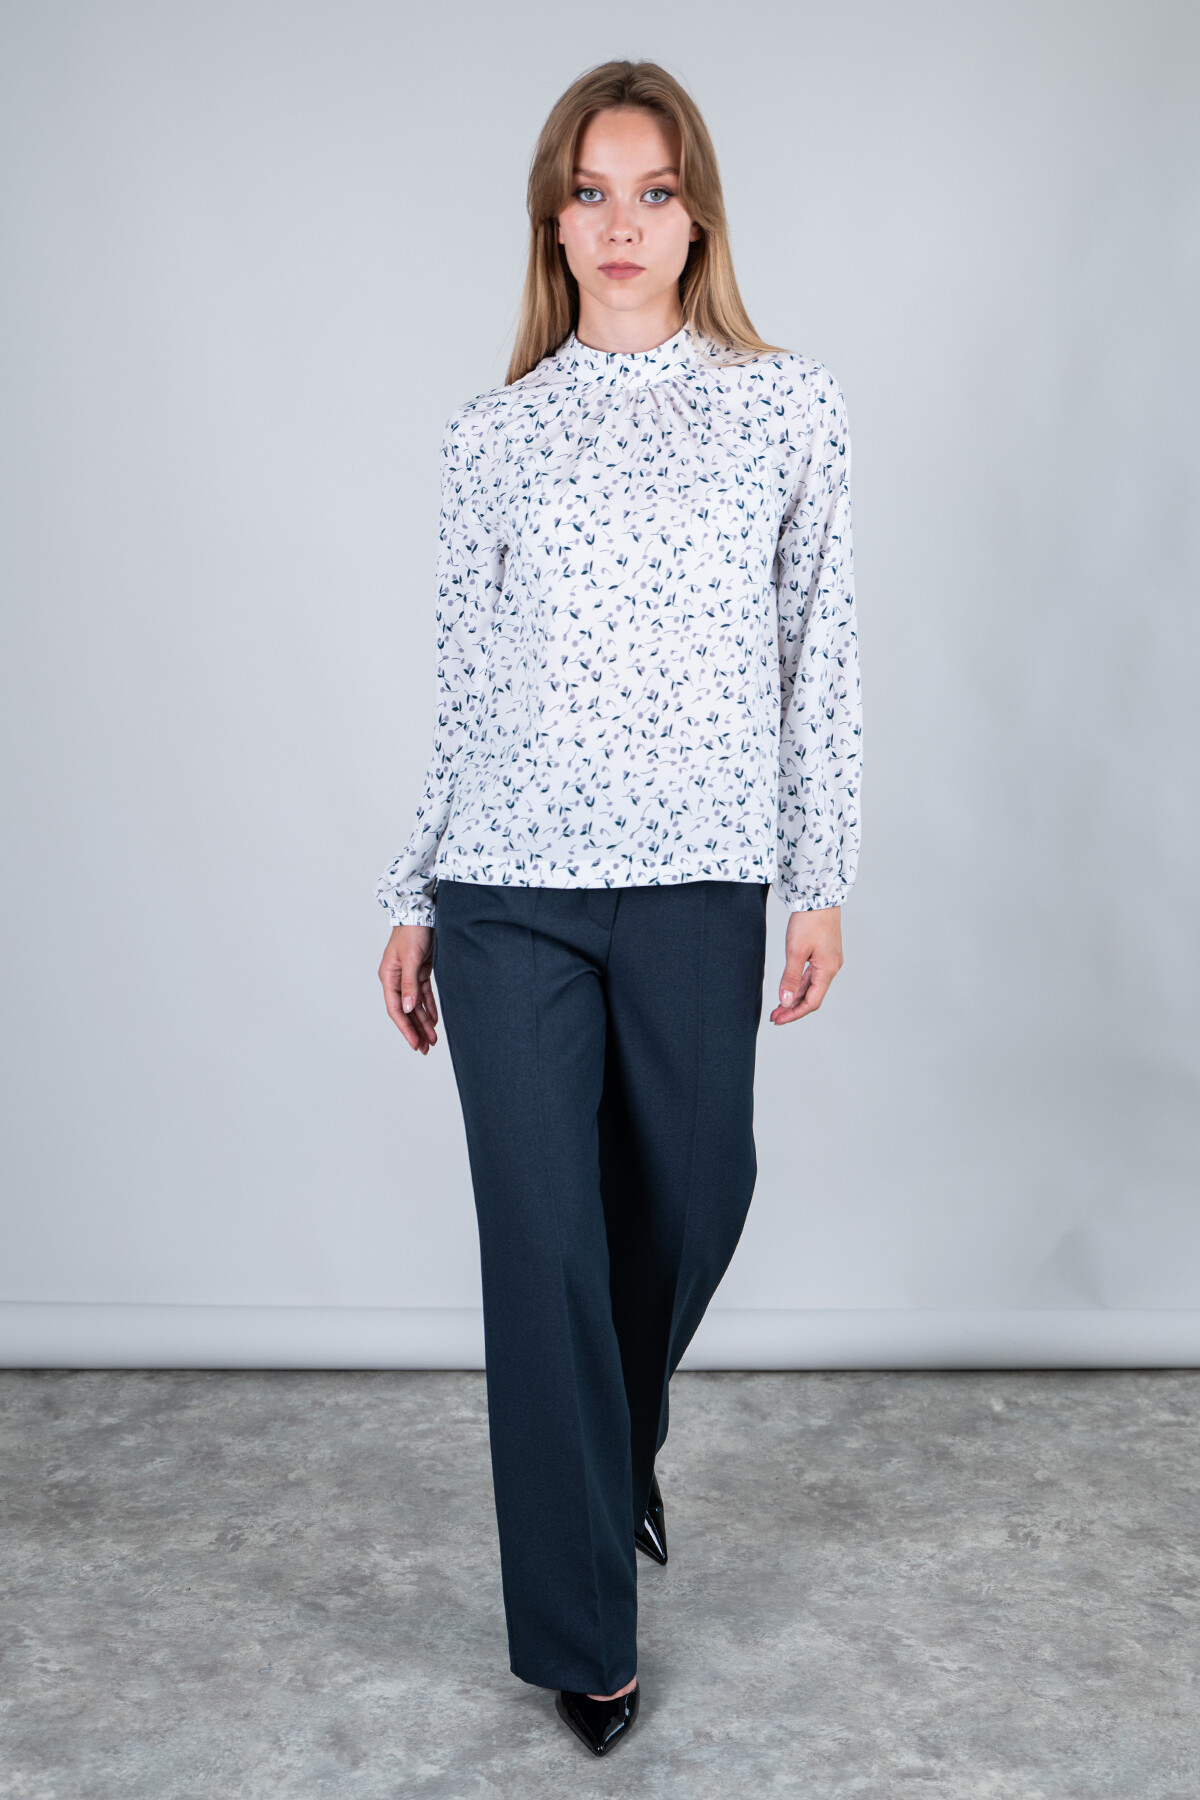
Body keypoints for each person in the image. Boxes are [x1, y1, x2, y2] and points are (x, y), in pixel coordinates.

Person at [375, 58, 861, 1757]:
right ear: (555, 220)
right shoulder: (493, 435)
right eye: (591, 192)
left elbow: (819, 652)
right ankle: (588, 1636)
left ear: (698, 214)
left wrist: (821, 875)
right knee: (544, 1254)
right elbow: (461, 684)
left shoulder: (786, 408)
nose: (622, 224)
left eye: (652, 192)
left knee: (697, 1191)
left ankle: (612, 1444)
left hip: (698, 879)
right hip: (507, 889)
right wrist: (411, 891)